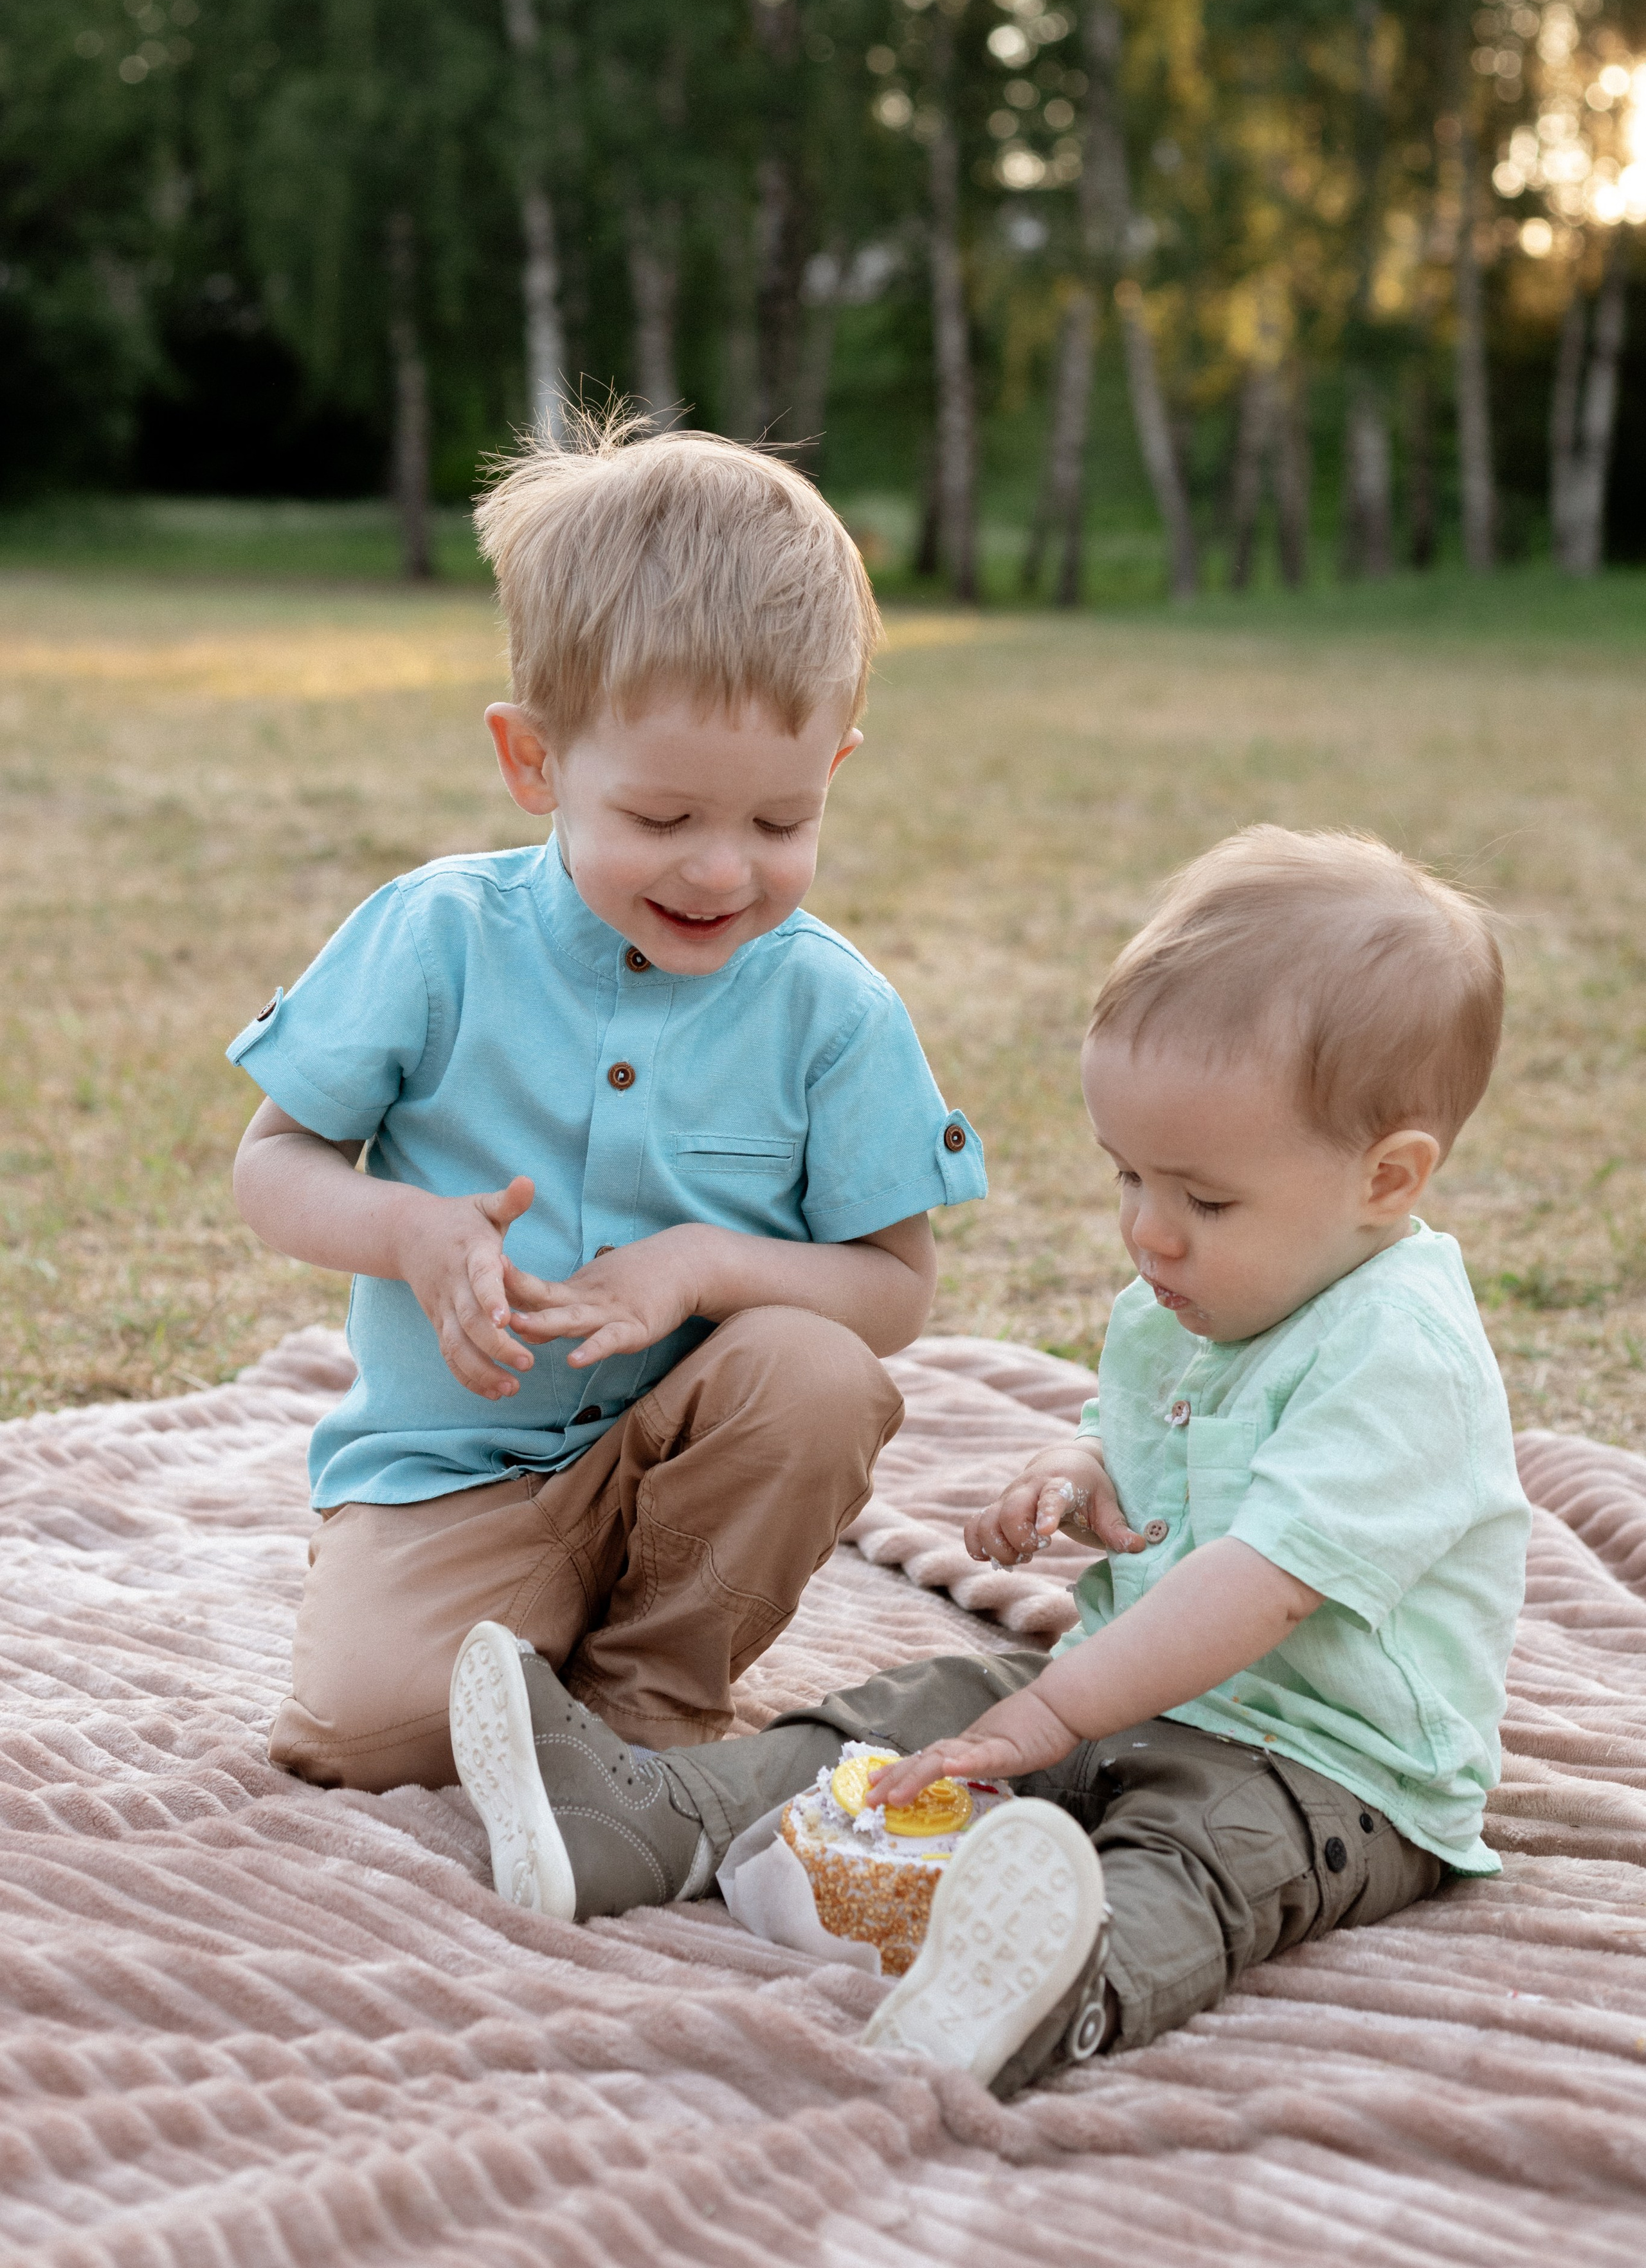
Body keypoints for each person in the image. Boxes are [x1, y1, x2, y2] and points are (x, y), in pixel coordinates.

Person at [449, 826, 1530, 2096]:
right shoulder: (1194, 1300)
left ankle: (1057, 1984)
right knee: (915, 1713)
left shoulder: (1400, 1352)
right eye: (1125, 1176)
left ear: (1385, 1179)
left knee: (1197, 1856)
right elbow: (1170, 1470)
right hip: (1133, 1692)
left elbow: (1262, 1580)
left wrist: (1055, 1713)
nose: (1146, 1233)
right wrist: (1074, 1472)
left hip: (1326, 1767)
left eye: (1202, 1199)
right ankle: (641, 1820)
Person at [228, 418, 985, 1797]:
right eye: (661, 817)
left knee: (816, 1374)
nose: (719, 870)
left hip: (702, 1468)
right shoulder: (432, 935)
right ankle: (519, 1629)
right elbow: (271, 1164)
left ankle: (651, 1692)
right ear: (535, 764)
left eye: (776, 824)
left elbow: (890, 1293)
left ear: (834, 774)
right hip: (452, 1473)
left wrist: (703, 1263)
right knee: (365, 1739)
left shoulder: (833, 1010)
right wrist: (409, 1230)